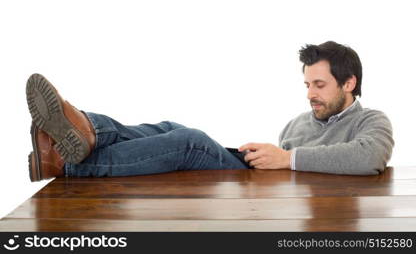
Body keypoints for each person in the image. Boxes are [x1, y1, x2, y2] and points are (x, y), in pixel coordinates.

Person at [26, 41, 394, 181]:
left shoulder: (372, 122)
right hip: (254, 173)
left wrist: (287, 158)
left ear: (349, 84)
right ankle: (88, 129)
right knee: (170, 126)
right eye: (307, 85)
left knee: (190, 142)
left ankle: (68, 162)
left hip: (253, 187)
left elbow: (370, 157)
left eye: (320, 85)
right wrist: (275, 157)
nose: (310, 95)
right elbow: (286, 167)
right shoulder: (298, 123)